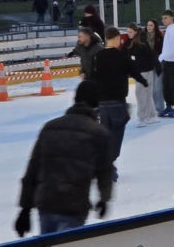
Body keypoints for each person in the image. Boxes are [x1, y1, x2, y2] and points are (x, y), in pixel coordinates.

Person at [14, 80, 113, 237]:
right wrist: (104, 199)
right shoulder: (98, 133)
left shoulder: (49, 127)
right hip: (73, 207)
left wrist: (25, 210)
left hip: (46, 203)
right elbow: (105, 171)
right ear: (97, 104)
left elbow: (32, 170)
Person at [91, 27, 148, 180]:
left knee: (106, 135)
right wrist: (143, 81)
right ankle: (107, 165)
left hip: (103, 103)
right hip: (117, 102)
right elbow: (134, 70)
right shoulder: (121, 55)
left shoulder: (98, 56)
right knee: (116, 135)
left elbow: (93, 79)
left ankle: (105, 164)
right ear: (116, 38)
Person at [126, 24, 158, 126]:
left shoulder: (141, 43)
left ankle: (143, 117)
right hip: (141, 71)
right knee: (146, 94)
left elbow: (150, 55)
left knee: (141, 94)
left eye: (130, 32)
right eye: (127, 32)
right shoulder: (133, 42)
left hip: (145, 72)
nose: (128, 34)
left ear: (135, 32)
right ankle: (151, 116)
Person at [145, 18, 164, 113]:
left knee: (158, 87)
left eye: (151, 25)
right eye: (148, 25)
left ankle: (160, 108)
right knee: (151, 88)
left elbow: (161, 52)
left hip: (158, 64)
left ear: (155, 27)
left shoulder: (159, 38)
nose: (149, 27)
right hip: (148, 64)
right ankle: (153, 108)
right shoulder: (143, 37)